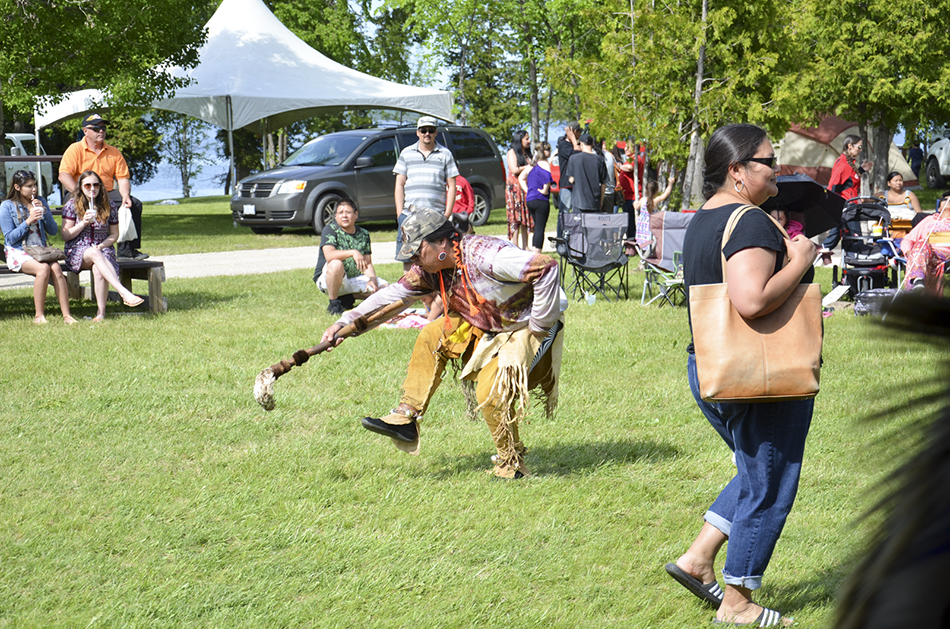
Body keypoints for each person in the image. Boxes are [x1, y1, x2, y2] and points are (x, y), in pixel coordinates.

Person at [668, 123, 818, 626]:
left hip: (711, 364)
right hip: (760, 375)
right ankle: (736, 602)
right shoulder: (750, 221)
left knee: (756, 472)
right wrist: (798, 260)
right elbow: (751, 299)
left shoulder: (704, 219)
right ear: (737, 171)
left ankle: (697, 559)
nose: (778, 170)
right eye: (768, 162)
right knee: (770, 484)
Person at [320, 207, 565, 479]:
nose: (413, 259)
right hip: (485, 321)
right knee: (431, 335)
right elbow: (391, 296)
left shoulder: (485, 255)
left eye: (417, 251)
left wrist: (539, 326)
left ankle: (511, 464)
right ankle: (406, 418)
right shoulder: (430, 270)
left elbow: (547, 267)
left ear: (441, 243)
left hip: (526, 324)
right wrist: (346, 322)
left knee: (491, 391)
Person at [58, 113, 147, 261]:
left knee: (134, 204)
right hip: (79, 191)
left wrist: (125, 196)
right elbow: (64, 176)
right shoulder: (75, 149)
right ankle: (77, 248)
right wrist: (79, 192)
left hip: (105, 192)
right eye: (96, 128)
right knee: (77, 205)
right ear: (85, 131)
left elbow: (123, 178)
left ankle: (127, 250)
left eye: (103, 128)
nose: (101, 131)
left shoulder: (114, 152)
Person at [61, 170, 144, 321]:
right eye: (87, 185)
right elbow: (65, 235)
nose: (92, 189)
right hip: (77, 249)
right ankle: (123, 292)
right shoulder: (72, 205)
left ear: (100, 187)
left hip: (102, 249)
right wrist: (83, 223)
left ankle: (101, 313)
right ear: (81, 187)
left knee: (98, 269)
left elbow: (114, 235)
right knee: (93, 252)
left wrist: (101, 246)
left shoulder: (108, 205)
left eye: (96, 185)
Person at [0, 170, 76, 324]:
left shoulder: (40, 200)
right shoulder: (7, 206)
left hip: (40, 251)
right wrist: (28, 221)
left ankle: (67, 315)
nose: (34, 189)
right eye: (29, 186)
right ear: (17, 187)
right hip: (18, 251)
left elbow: (53, 230)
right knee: (44, 269)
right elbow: (10, 238)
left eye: (34, 185)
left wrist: (45, 212)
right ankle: (39, 316)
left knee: (56, 269)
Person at [393, 116, 459, 270]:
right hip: (409, 215)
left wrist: (447, 213)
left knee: (437, 259)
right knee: (409, 260)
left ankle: (437, 293)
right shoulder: (406, 153)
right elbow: (399, 185)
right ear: (418, 133)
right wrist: (399, 214)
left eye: (430, 130)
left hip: (435, 217)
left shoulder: (445, 154)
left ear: (436, 133)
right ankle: (411, 291)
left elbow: (452, 186)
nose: (427, 133)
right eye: (423, 130)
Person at [312, 199, 388, 315]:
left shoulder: (364, 234)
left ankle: (348, 298)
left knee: (385, 289)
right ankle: (334, 304)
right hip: (329, 279)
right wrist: (353, 252)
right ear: (336, 216)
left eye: (348, 212)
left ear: (356, 214)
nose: (344, 216)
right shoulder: (330, 230)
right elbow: (329, 255)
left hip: (354, 277)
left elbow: (367, 263)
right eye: (340, 213)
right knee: (336, 263)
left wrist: (372, 280)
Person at [819, 134, 872, 264]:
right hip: (846, 207)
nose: (860, 150)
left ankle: (825, 253)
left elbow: (849, 181)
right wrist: (831, 207)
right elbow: (833, 186)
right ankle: (820, 252)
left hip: (851, 206)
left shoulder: (848, 163)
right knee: (853, 237)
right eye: (859, 147)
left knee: (839, 235)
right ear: (850, 146)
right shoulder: (842, 164)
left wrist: (861, 170)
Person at [900, 191, 950, 294]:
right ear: (939, 208)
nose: (948, 201)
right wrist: (909, 252)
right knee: (922, 242)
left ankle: (917, 283)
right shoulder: (929, 220)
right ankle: (918, 281)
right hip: (923, 254)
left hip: (945, 256)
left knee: (923, 243)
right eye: (945, 199)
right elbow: (908, 239)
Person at [519, 141, 553, 253]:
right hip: (541, 200)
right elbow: (547, 178)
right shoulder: (545, 163)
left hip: (530, 199)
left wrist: (528, 191)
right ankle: (537, 254)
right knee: (540, 228)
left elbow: (521, 178)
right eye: (548, 149)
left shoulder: (532, 165)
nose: (550, 151)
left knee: (537, 227)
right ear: (544, 151)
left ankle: (534, 250)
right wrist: (545, 189)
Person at [635, 176, 676, 262]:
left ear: (646, 190)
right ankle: (648, 254)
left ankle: (643, 253)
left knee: (644, 241)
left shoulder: (642, 200)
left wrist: (634, 202)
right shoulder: (655, 201)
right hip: (650, 225)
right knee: (652, 240)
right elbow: (666, 194)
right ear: (656, 191)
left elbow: (636, 206)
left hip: (642, 226)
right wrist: (670, 183)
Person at [564, 133, 607, 212]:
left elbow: (571, 180)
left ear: (582, 144)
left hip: (578, 202)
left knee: (578, 224)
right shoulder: (600, 160)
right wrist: (601, 200)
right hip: (594, 202)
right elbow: (604, 183)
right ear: (592, 144)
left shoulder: (574, 158)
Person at [505, 130, 533, 249]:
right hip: (514, 189)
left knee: (525, 216)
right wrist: (530, 165)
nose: (529, 141)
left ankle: (526, 246)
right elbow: (515, 169)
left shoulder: (527, 154)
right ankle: (515, 245)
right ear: (519, 140)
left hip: (525, 188)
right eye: (526, 139)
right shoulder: (512, 152)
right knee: (516, 217)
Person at [556, 122, 582, 212]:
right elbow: (576, 156)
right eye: (579, 132)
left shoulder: (576, 145)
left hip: (576, 184)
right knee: (564, 213)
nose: (580, 134)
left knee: (576, 214)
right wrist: (574, 140)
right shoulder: (563, 145)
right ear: (575, 131)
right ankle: (561, 227)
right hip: (566, 184)